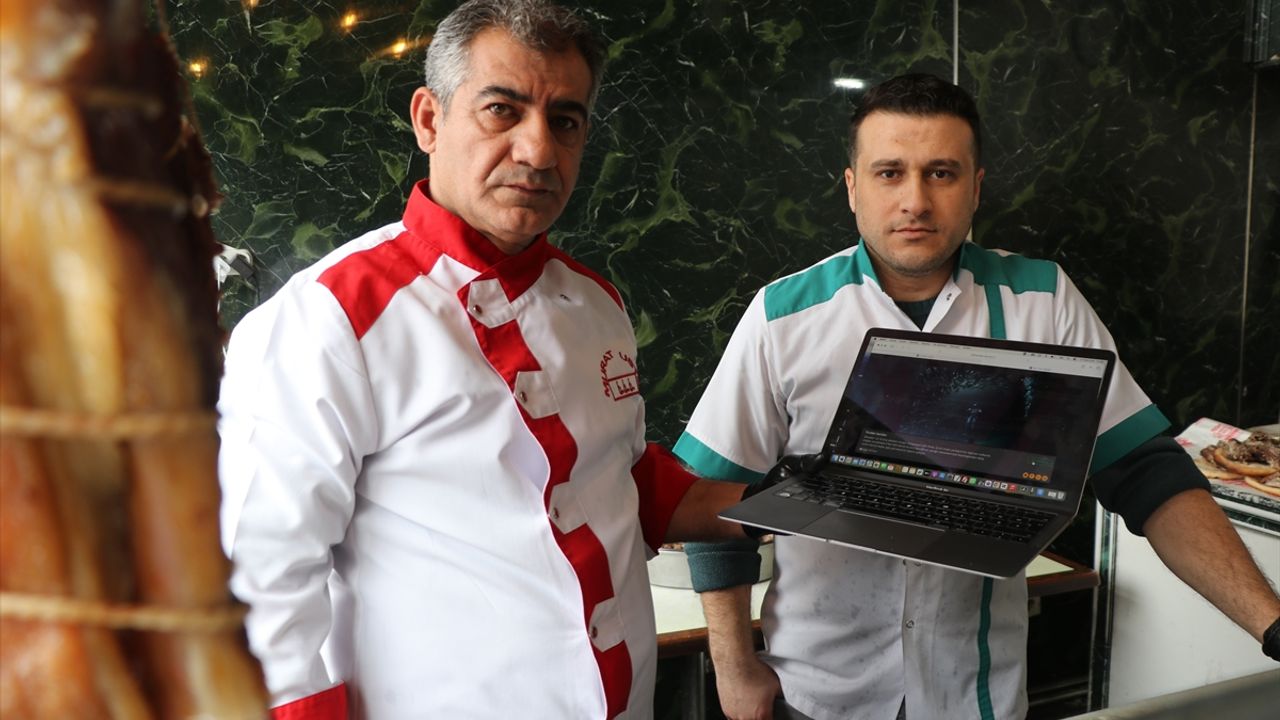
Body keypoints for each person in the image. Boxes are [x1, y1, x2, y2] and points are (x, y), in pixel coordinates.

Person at [675, 72, 1280, 720]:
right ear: (852, 188)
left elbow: (1145, 476)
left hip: (976, 695)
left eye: (941, 173)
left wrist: (1272, 624)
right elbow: (709, 497)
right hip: (819, 692)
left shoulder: (1042, 301)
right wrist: (734, 667)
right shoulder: (784, 316)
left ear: (976, 187)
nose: (915, 200)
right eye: (889, 173)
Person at [217, 2, 752, 718]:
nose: (539, 150)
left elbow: (612, 479)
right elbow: (260, 584)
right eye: (503, 110)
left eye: (566, 120)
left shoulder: (595, 303)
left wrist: (798, 506)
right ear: (429, 120)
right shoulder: (328, 318)